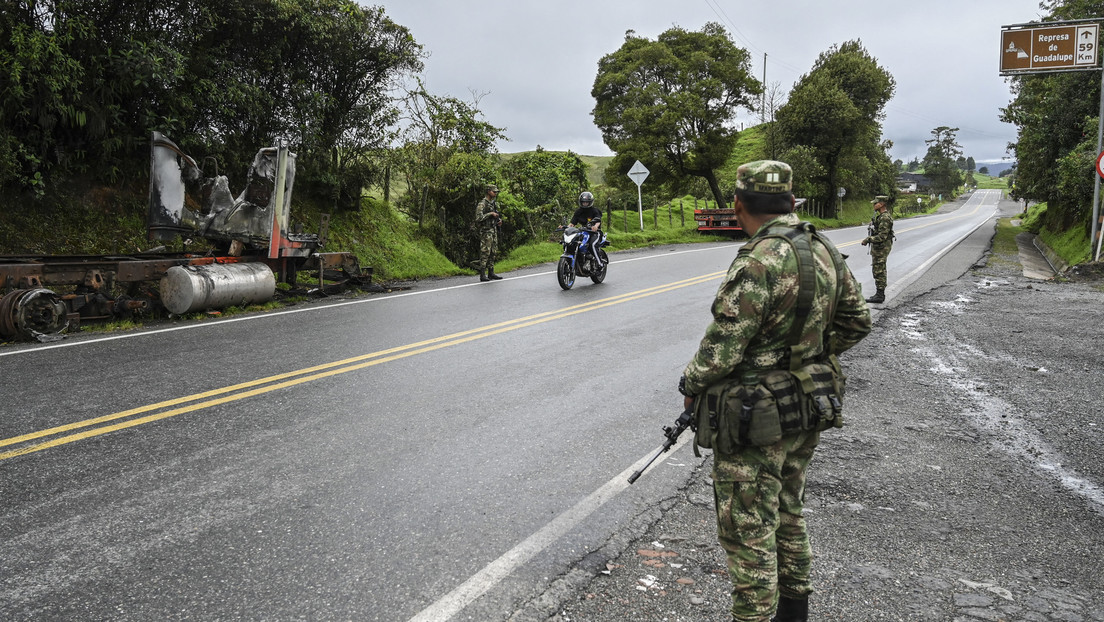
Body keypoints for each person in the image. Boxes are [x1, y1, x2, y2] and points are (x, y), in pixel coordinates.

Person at [678, 160, 872, 622]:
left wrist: (690, 386)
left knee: (747, 529)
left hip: (756, 418)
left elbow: (722, 350)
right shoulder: (822, 247)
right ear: (790, 201)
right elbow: (857, 321)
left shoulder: (758, 259)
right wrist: (805, 358)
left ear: (738, 204)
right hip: (807, 403)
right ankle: (794, 614)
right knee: (788, 510)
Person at [861, 196, 894, 303]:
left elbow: (882, 237)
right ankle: (879, 294)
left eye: (876, 203)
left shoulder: (884, 218)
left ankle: (880, 295)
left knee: (879, 270)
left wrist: (868, 239)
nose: (874, 205)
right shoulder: (880, 217)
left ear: (882, 204)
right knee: (878, 269)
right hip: (879, 248)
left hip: (881, 248)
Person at [474, 184, 503, 281]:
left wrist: (499, 221)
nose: (495, 193)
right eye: (494, 191)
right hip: (486, 231)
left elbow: (496, 215)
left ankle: (491, 272)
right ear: (488, 191)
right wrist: (490, 214)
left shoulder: (493, 203)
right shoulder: (482, 204)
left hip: (493, 229)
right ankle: (482, 274)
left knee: (493, 251)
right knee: (485, 252)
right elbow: (478, 218)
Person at [569, 191, 604, 265]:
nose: (584, 204)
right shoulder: (578, 212)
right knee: (572, 243)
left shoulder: (594, 211)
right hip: (583, 232)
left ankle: (599, 263)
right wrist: (567, 228)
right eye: (583, 202)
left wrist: (595, 226)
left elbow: (598, 220)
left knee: (592, 245)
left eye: (586, 202)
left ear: (590, 202)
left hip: (595, 233)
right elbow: (572, 223)